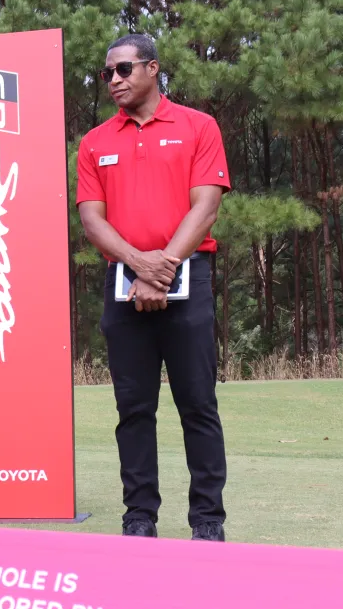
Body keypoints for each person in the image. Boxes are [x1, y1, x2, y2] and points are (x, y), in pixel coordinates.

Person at [75, 33, 231, 541]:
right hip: (123, 285)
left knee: (197, 405)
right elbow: (92, 221)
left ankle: (207, 521)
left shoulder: (198, 127)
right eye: (107, 74)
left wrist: (162, 267)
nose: (113, 82)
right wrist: (140, 266)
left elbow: (205, 206)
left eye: (123, 70)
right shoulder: (95, 142)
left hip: (189, 280)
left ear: (152, 69)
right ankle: (139, 517)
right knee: (134, 409)